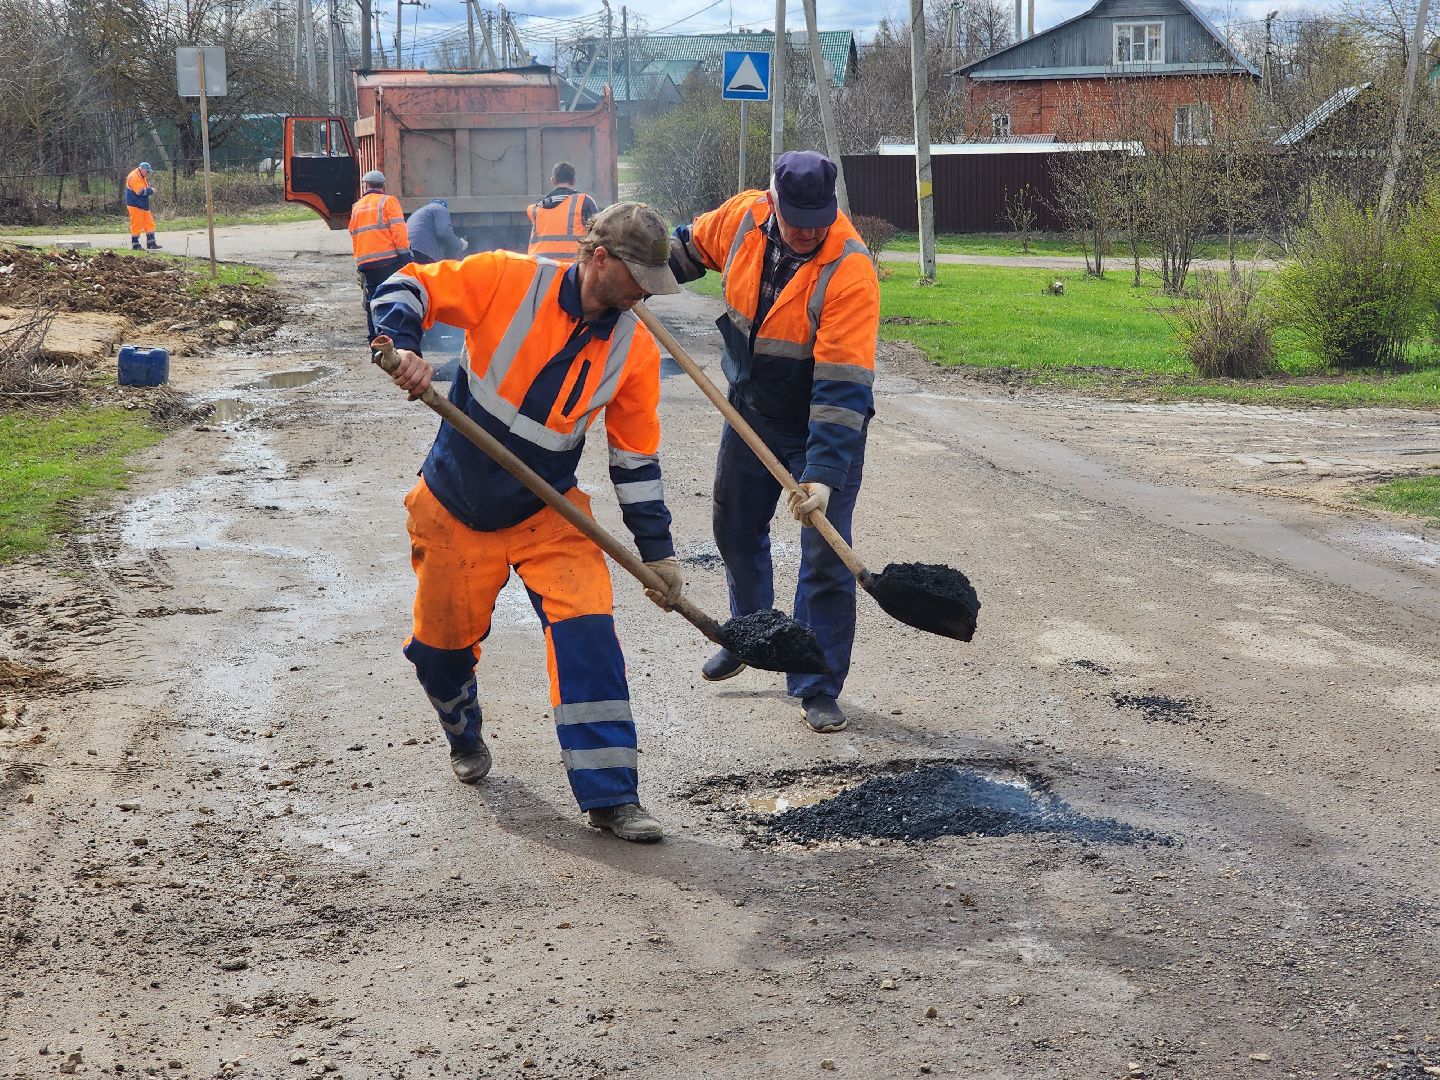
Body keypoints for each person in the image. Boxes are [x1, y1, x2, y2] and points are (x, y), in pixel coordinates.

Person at [371, 201, 684, 843]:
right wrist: (402, 347)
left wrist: (659, 555)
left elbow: (635, 459)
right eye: (636, 283)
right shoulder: (508, 279)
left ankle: (611, 795)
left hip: (551, 512)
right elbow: (407, 285)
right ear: (599, 259)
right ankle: (461, 724)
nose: (643, 298)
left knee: (589, 634)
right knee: (440, 652)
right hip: (455, 505)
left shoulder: (636, 347)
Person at [668, 150, 879, 735]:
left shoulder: (849, 268)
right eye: (796, 221)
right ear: (772, 203)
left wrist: (823, 473)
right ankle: (752, 633)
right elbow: (684, 251)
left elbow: (842, 388)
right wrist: (633, 272)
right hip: (750, 409)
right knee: (734, 526)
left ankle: (815, 682)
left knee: (825, 555)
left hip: (817, 423)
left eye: (819, 219)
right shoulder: (742, 218)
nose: (808, 232)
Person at [349, 170, 411, 340]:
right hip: (388, 261)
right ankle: (393, 337)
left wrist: (359, 264)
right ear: (383, 185)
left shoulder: (357, 206)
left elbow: (354, 234)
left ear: (366, 185)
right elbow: (399, 231)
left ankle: (375, 340)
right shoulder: (388, 201)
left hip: (366, 263)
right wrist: (406, 257)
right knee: (392, 297)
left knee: (372, 301)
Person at [525, 162, 600, 261]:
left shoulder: (535, 208)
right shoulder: (584, 202)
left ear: (553, 180)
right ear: (573, 181)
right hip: (572, 268)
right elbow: (598, 233)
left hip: (540, 268)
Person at [406, 198, 468, 265]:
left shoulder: (421, 212)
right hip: (422, 251)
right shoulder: (441, 208)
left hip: (409, 250)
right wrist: (460, 244)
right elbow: (444, 232)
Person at [125, 162, 160, 251]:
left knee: (149, 223)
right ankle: (135, 245)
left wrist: (149, 190)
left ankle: (151, 243)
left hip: (142, 204)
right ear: (142, 169)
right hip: (135, 205)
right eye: (147, 171)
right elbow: (140, 192)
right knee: (137, 224)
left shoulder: (141, 176)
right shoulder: (135, 177)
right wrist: (151, 190)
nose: (148, 173)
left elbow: (143, 189)